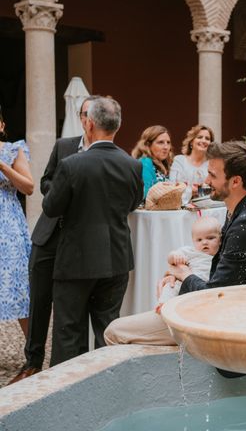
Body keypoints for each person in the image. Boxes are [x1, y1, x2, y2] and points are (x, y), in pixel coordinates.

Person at [104, 141, 246, 346]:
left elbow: (213, 295)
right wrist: (176, 274)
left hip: (229, 324)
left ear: (235, 181)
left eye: (213, 175)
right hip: (230, 311)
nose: (206, 180)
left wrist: (183, 274)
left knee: (114, 332)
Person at [43, 97, 143, 366]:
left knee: (68, 332)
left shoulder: (72, 164)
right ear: (116, 127)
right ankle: (107, 394)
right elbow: (134, 203)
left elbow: (51, 207)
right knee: (107, 330)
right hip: (117, 257)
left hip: (77, 258)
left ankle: (66, 393)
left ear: (89, 125)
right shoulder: (132, 165)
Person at [9, 96, 97, 385]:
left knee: (71, 302)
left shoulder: (107, 153)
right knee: (39, 298)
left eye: (90, 114)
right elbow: (45, 183)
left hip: (80, 238)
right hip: (48, 234)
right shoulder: (64, 146)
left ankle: (75, 361)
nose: (86, 119)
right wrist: (63, 188)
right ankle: (33, 360)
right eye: (83, 113)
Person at [0, 111, 34, 338]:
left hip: (7, 225)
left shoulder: (13, 149)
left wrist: (3, 166)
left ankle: (33, 353)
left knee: (19, 285)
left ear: (1, 125)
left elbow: (29, 187)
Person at [156, 216, 221, 311]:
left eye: (210, 238)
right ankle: (163, 304)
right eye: (199, 240)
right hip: (186, 282)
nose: (204, 242)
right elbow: (170, 257)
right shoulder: (191, 251)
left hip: (206, 286)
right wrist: (175, 256)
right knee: (172, 286)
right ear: (193, 241)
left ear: (220, 240)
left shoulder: (221, 255)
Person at [169, 124, 213, 201]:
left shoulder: (212, 164)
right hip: (180, 207)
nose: (203, 141)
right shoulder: (179, 160)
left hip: (206, 207)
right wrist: (190, 191)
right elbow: (172, 186)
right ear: (191, 142)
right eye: (199, 137)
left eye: (207, 138)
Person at [131, 125, 173, 198]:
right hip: (147, 209)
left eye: (168, 142)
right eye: (160, 142)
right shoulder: (145, 162)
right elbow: (147, 195)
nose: (166, 147)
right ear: (148, 144)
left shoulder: (164, 164)